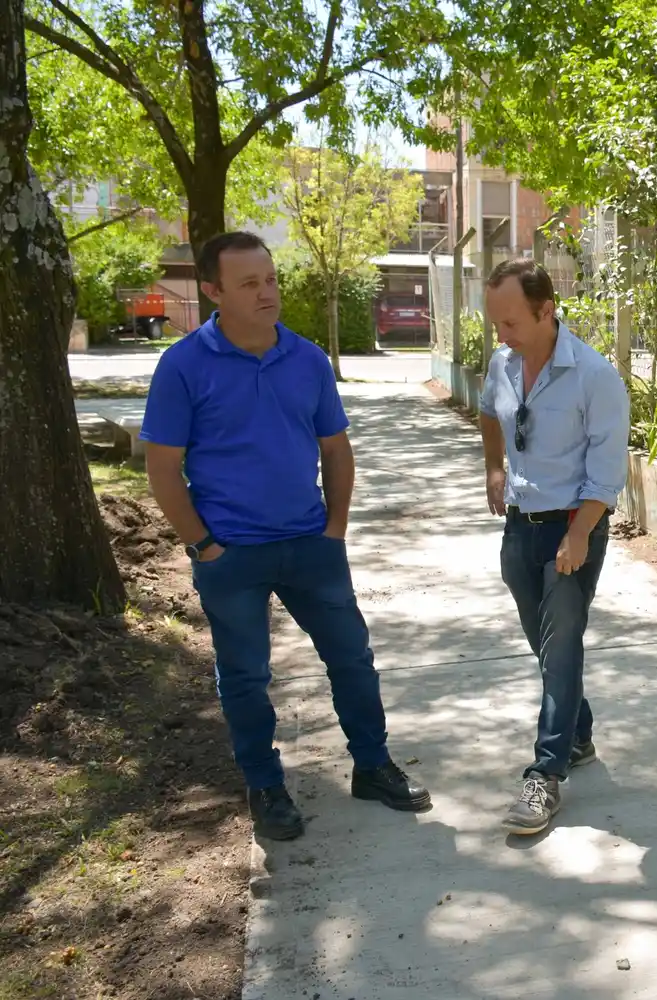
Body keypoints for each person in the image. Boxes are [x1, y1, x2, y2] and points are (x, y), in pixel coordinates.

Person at [140, 231, 430, 843]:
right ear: (213, 291)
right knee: (245, 676)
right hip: (231, 553)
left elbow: (336, 448)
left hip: (309, 545)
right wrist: (203, 546)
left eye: (269, 279)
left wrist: (335, 529)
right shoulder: (183, 365)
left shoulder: (306, 360)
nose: (266, 292)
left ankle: (373, 766)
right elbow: (163, 470)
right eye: (249, 283)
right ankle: (266, 786)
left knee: (352, 658)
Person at [477, 258, 631, 837]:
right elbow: (491, 411)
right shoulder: (503, 363)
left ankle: (546, 772)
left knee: (562, 640)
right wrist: (494, 469)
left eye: (512, 323)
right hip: (519, 525)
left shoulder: (594, 375)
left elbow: (607, 471)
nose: (502, 336)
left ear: (547, 311)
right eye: (496, 324)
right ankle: (580, 733)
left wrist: (578, 533)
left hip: (574, 524)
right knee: (544, 646)